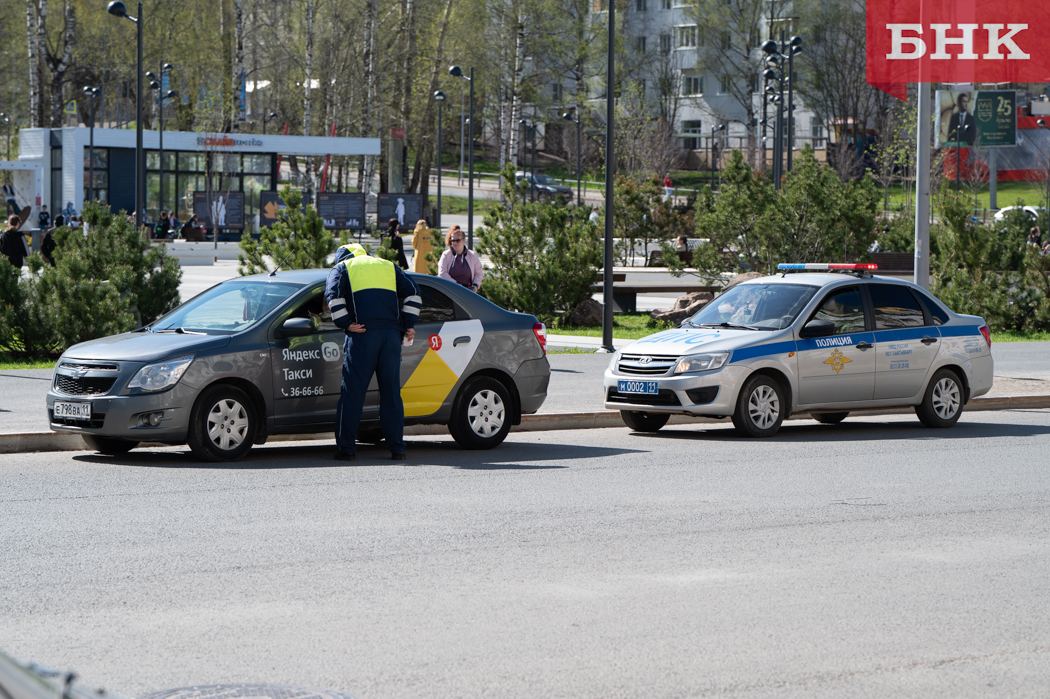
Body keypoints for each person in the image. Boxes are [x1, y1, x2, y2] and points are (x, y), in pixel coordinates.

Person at [324, 243, 422, 461]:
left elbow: (333, 296)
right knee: (391, 393)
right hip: (390, 337)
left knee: (353, 393)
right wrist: (409, 323)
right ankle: (397, 449)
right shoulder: (388, 266)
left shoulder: (342, 268)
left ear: (342, 257)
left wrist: (346, 323)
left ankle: (347, 449)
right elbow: (414, 293)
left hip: (363, 334)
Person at [438, 225, 484, 293]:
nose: (455, 243)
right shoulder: (446, 255)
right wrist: (457, 285)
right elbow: (442, 273)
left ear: (464, 240)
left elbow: (479, 273)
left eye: (458, 240)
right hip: (450, 291)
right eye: (453, 240)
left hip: (468, 292)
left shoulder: (472, 255)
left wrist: (475, 286)